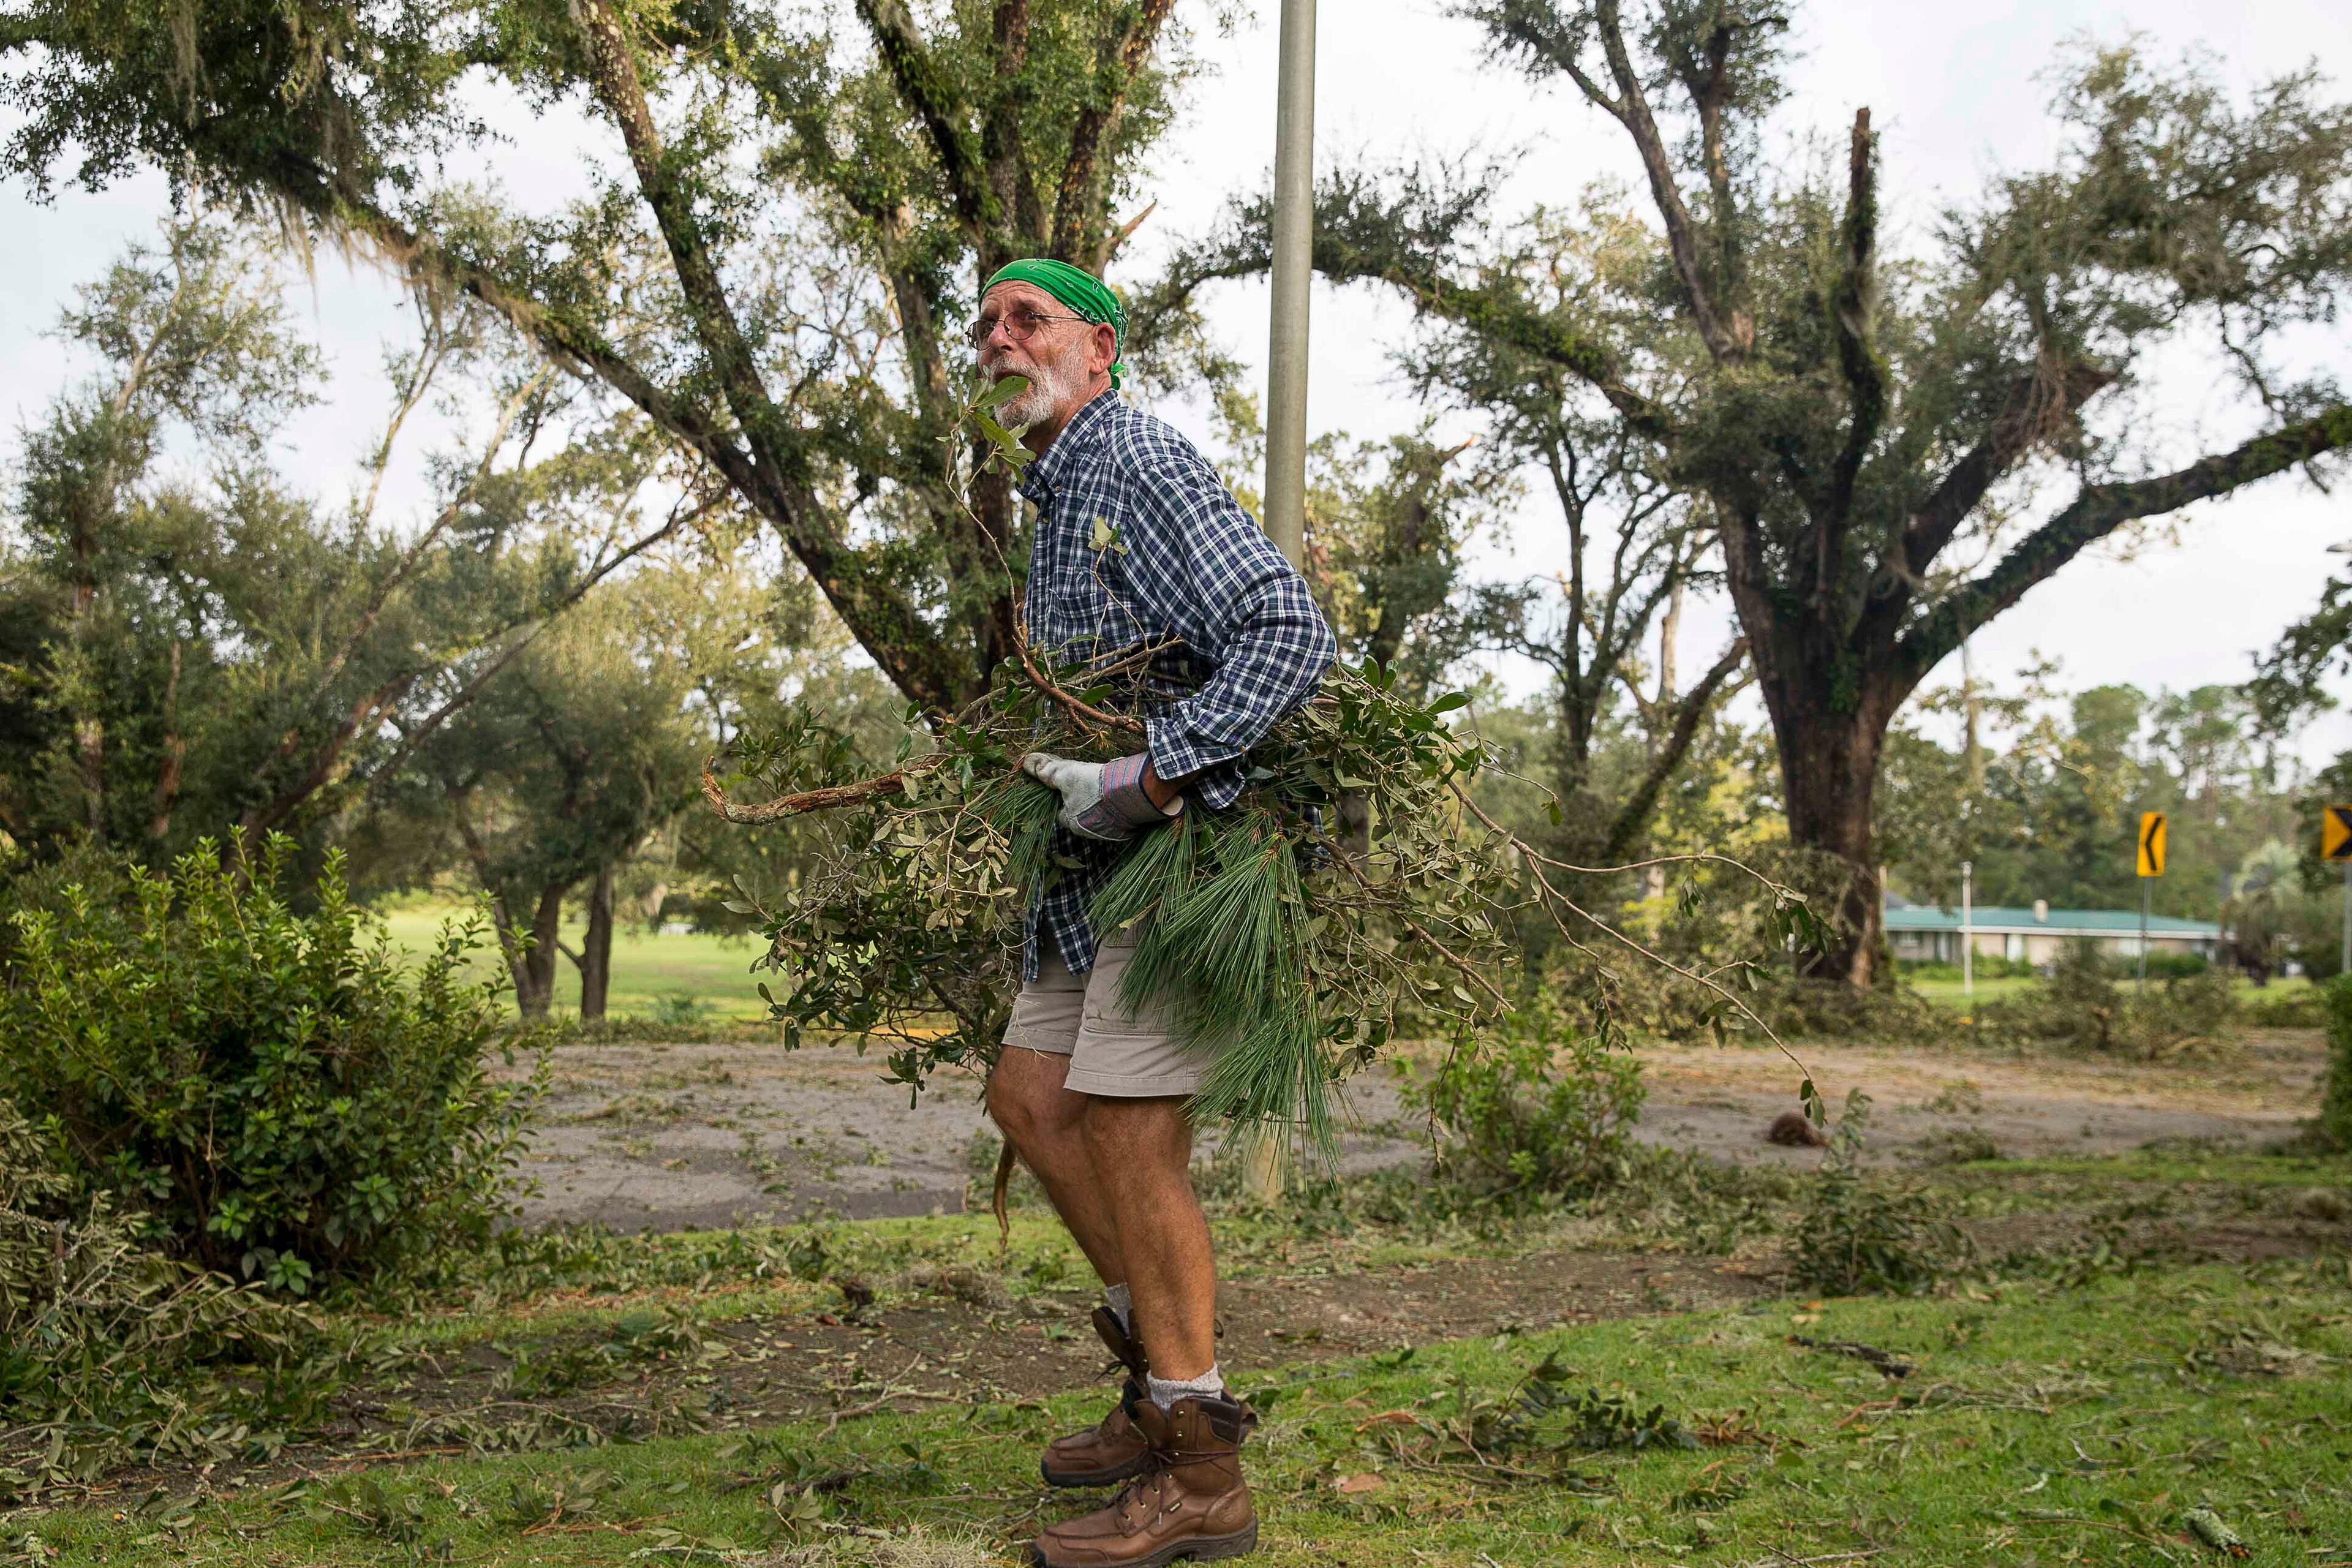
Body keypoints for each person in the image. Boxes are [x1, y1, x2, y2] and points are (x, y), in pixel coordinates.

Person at [973, 256, 1335, 1568]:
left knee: (1134, 1135)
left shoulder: (1137, 462)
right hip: (1089, 866)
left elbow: (1290, 631)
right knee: (1030, 1099)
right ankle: (1157, 1377)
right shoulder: (1057, 487)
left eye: (1031, 319)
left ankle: (1202, 1469)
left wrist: (1157, 769)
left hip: (1181, 860)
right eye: (990, 324)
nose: (1000, 339)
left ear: (1100, 349)